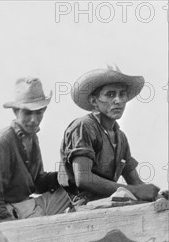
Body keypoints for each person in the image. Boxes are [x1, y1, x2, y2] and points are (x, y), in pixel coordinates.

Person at [59, 66, 160, 204]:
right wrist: (135, 191)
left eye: (122, 94)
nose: (118, 101)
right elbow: (83, 179)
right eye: (110, 95)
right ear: (94, 101)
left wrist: (157, 195)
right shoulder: (84, 126)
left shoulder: (121, 137)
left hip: (108, 201)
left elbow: (135, 182)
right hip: (81, 204)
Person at [0, 77, 71, 222]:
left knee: (76, 185)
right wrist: (5, 224)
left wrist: (64, 174)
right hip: (11, 212)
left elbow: (37, 183)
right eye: (28, 113)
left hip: (29, 206)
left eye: (39, 113)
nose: (34, 120)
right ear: (16, 112)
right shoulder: (4, 141)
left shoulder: (32, 137)